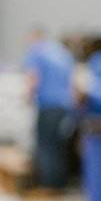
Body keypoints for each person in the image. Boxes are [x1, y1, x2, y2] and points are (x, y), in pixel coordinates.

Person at [24, 28, 76, 191]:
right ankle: (60, 183)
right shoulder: (62, 53)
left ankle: (48, 185)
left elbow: (33, 79)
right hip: (65, 105)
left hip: (47, 104)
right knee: (58, 146)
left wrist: (26, 98)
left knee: (45, 145)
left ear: (34, 38)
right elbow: (72, 80)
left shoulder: (36, 52)